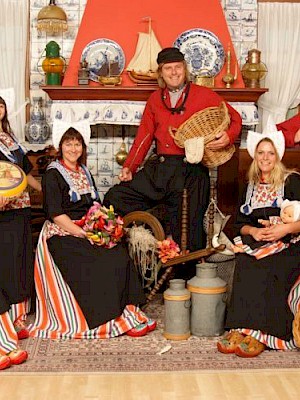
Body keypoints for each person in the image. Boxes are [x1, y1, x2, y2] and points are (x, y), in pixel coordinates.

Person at [103, 48, 242, 261]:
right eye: (168, 68)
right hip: (160, 169)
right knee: (115, 197)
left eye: (178, 67)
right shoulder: (154, 100)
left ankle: (183, 280)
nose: (174, 72)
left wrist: (228, 136)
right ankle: (152, 235)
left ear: (185, 70)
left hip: (191, 172)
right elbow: (144, 137)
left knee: (189, 233)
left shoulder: (204, 94)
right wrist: (129, 167)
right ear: (161, 73)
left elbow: (234, 117)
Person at [29, 120, 155, 340]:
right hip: (62, 231)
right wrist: (82, 234)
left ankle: (126, 312)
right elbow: (56, 214)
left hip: (87, 227)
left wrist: (104, 226)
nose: (73, 148)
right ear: (60, 146)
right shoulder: (53, 173)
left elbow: (94, 206)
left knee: (119, 253)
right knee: (99, 259)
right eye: (68, 143)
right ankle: (103, 318)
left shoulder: (84, 171)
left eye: (78, 143)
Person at [217, 128, 300, 357]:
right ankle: (240, 328)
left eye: (270, 153)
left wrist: (284, 228)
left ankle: (265, 333)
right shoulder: (250, 186)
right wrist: (253, 231)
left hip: (291, 241)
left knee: (271, 265)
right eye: (261, 153)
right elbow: (238, 223)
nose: (265, 158)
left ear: (278, 156)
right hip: (261, 240)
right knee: (245, 260)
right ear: (255, 156)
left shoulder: (291, 181)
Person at [0, 96, 42, 370]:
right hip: (2, 207)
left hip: (21, 206)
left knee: (19, 259)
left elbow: (25, 173)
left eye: (0, 105)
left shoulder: (9, 139)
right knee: (5, 261)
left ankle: (19, 318)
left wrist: (48, 191)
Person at [232, 199, 300, 259]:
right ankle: (241, 247)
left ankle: (244, 250)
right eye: (284, 212)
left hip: (280, 245)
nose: (285, 216)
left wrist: (287, 229)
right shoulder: (278, 219)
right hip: (263, 233)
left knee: (264, 248)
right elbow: (239, 224)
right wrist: (254, 229)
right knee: (254, 241)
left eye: (289, 216)